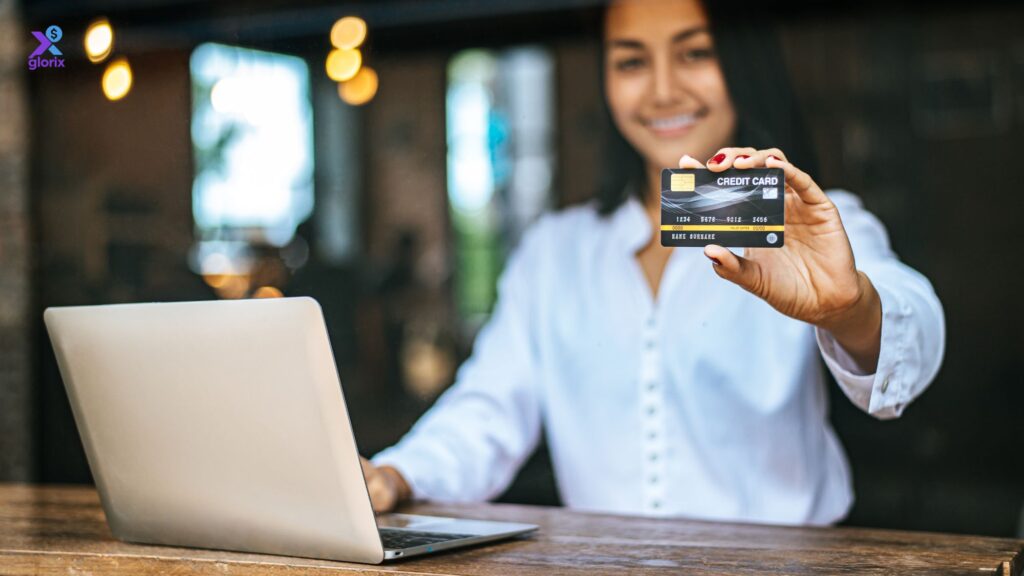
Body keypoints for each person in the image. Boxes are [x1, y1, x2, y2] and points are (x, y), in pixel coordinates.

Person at [359, 0, 945, 525]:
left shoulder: (812, 224)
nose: (663, 90)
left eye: (695, 53)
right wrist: (394, 474)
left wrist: (850, 308)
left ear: (743, 64)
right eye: (631, 61)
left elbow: (910, 342)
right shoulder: (556, 251)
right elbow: (488, 411)